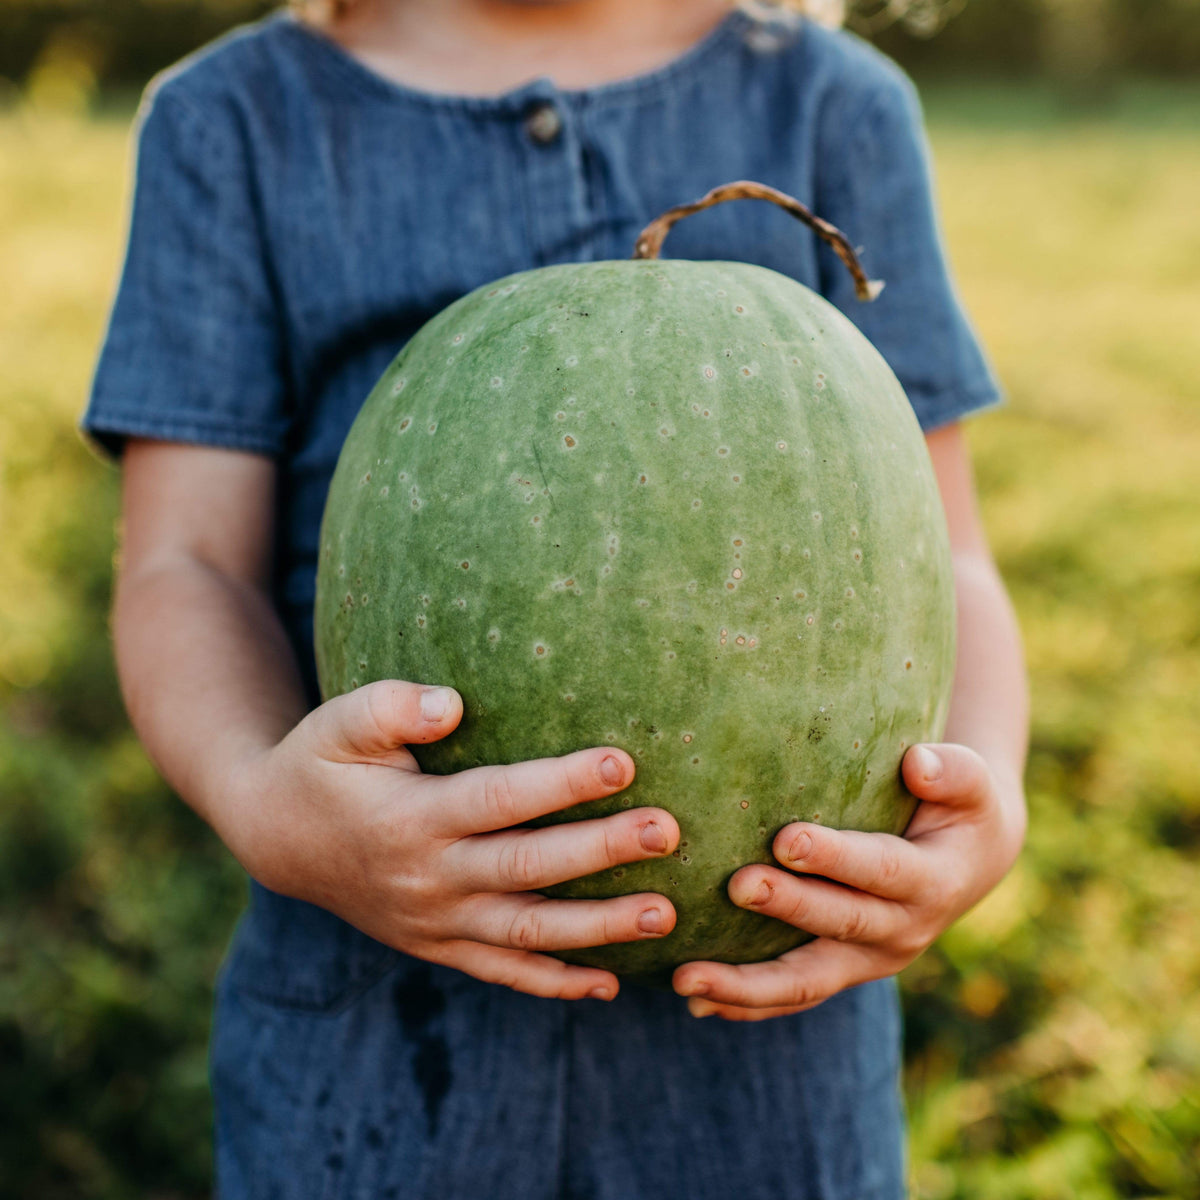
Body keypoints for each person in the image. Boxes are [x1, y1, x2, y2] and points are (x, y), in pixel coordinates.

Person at [83, 1, 1029, 1196]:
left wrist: (986, 806)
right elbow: (188, 565)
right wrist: (261, 802)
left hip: (777, 1056)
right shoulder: (234, 123)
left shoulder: (833, 103)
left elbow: (950, 558)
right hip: (372, 1031)